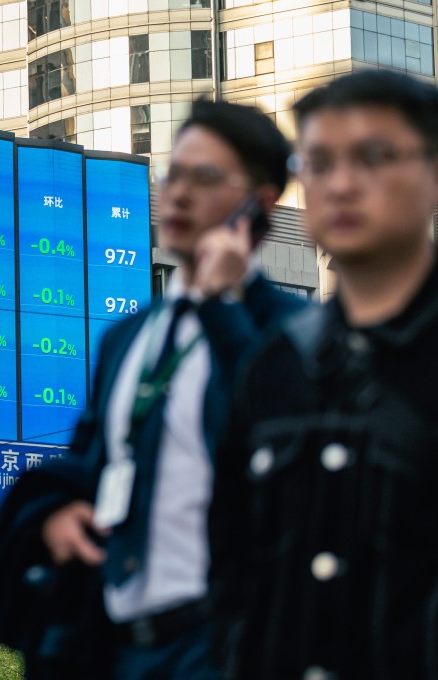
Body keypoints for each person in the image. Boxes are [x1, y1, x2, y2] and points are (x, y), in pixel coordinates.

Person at [0, 100, 304, 679]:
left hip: (222, 644)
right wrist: (55, 514)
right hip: (111, 644)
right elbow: (89, 461)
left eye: (205, 178)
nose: (177, 194)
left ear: (261, 200)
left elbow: (277, 447)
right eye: (173, 174)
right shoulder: (129, 337)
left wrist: (223, 307)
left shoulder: (290, 331)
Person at [211, 70, 438, 679]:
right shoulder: (276, 367)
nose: (341, 184)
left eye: (373, 157)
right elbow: (228, 564)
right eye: (318, 161)